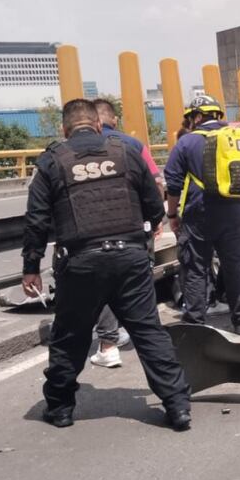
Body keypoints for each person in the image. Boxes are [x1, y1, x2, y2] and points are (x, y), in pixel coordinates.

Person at [22, 99, 191, 430]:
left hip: (80, 263)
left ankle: (60, 408)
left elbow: (36, 221)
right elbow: (154, 203)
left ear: (65, 129)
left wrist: (30, 266)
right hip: (130, 258)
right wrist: (147, 227)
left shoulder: (52, 161)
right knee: (147, 332)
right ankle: (177, 406)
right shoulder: (125, 153)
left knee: (70, 336)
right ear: (98, 125)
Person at [163, 95, 240, 335]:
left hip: (199, 214)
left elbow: (173, 185)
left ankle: (195, 324)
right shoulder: (237, 135)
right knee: (233, 266)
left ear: (198, 116)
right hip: (234, 212)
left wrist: (172, 215)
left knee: (196, 268)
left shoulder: (187, 143)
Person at [87, 98, 164, 369]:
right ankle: (150, 340)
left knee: (105, 286)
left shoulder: (78, 149)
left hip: (95, 234)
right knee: (141, 282)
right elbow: (156, 185)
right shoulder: (133, 145)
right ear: (114, 120)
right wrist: (155, 219)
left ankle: (108, 343)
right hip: (136, 229)